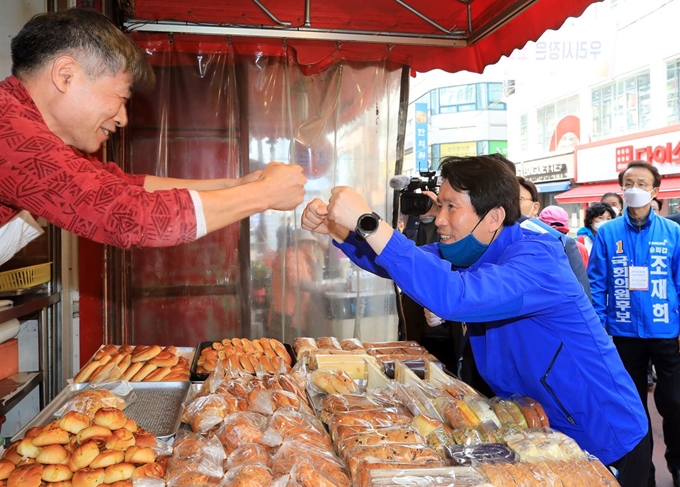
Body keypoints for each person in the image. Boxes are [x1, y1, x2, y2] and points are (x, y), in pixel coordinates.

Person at [302, 155, 649, 486]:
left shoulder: (537, 259)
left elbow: (454, 297)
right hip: (532, 429)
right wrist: (341, 231)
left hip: (600, 435)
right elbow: (395, 262)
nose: (439, 219)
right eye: (440, 205)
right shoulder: (472, 250)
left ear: (494, 217)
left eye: (452, 207)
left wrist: (370, 222)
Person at [0, 8, 306, 266]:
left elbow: (121, 186)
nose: (122, 118)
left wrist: (238, 186)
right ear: (65, 75)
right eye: (120, 97)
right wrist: (264, 195)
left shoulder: (22, 126)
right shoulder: (7, 128)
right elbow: (127, 215)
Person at [588, 160, 680, 487]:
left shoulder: (673, 233)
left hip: (667, 333)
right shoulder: (608, 234)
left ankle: (678, 467)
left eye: (642, 183)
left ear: (655, 191)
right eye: (629, 182)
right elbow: (597, 283)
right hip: (624, 334)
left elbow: (679, 282)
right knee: (632, 409)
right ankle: (643, 478)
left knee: (675, 403)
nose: (634, 189)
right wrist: (600, 328)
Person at [268, 228, 322, 339]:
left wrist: (314, 261)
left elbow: (317, 280)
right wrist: (321, 287)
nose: (310, 245)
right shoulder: (291, 255)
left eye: (311, 242)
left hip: (295, 317)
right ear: (299, 242)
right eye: (307, 242)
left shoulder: (303, 259)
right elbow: (296, 281)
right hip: (286, 316)